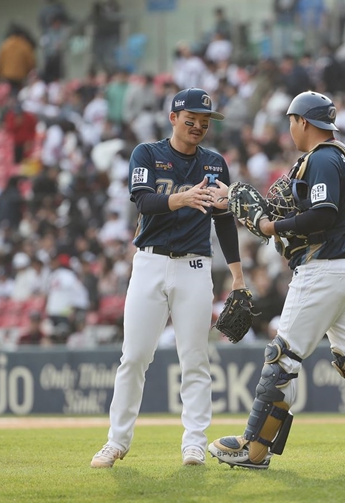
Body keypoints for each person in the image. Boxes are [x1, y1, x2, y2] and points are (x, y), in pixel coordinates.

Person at [207, 91, 345, 470]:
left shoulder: (322, 158)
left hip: (323, 270)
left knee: (281, 357)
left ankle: (254, 448)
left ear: (302, 122)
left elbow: (322, 213)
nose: (289, 128)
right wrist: (233, 198)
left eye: (290, 121)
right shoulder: (341, 155)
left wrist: (272, 224)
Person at [91, 88, 245, 468]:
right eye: (190, 119)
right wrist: (182, 198)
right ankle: (117, 441)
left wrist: (238, 276)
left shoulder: (215, 164)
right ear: (173, 118)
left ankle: (194, 442)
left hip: (195, 266)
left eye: (204, 122)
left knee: (195, 358)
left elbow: (224, 221)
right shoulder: (147, 153)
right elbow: (144, 201)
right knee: (135, 357)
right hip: (150, 262)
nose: (198, 126)